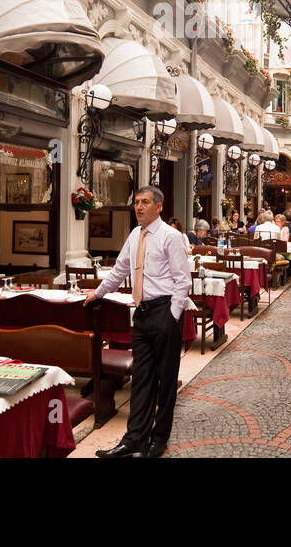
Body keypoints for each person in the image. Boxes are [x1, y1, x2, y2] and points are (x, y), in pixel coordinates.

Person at [86, 186, 190, 458]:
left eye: (145, 202)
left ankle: (158, 439)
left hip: (165, 312)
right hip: (142, 313)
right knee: (142, 379)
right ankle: (133, 440)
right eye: (136, 202)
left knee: (165, 381)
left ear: (159, 207)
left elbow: (182, 281)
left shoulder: (172, 237)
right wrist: (98, 293)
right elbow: (119, 271)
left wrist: (172, 316)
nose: (139, 207)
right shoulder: (135, 235)